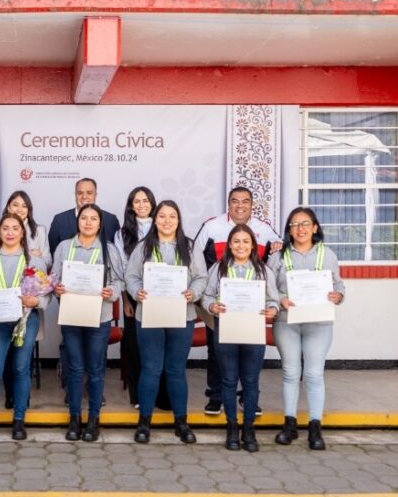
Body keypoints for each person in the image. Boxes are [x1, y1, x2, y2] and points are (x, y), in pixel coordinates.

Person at [193, 186, 283, 416]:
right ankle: (216, 396)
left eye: (245, 201)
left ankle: (247, 397)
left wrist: (275, 252)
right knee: (217, 348)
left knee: (248, 352)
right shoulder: (212, 226)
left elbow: (279, 255)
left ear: (252, 205)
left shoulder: (264, 230)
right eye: (235, 201)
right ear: (228, 204)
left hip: (252, 310)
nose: (240, 206)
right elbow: (196, 258)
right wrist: (204, 296)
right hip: (219, 306)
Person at [124, 200, 207, 444]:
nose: (167, 221)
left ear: (178, 220)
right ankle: (144, 423)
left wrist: (194, 292)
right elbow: (131, 275)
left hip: (182, 315)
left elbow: (201, 277)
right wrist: (137, 290)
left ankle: (181, 423)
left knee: (175, 369)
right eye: (162, 216)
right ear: (155, 220)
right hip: (149, 314)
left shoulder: (189, 247)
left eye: (172, 216)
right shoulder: (143, 247)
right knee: (150, 369)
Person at [268, 207, 345, 450]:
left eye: (305, 224)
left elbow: (339, 286)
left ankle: (315, 426)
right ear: (288, 231)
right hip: (286, 322)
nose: (300, 229)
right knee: (290, 372)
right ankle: (289, 424)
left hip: (318, 323)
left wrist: (337, 295)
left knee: (313, 374)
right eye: (294, 225)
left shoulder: (328, 254)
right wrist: (280, 299)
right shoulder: (278, 257)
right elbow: (269, 287)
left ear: (314, 227)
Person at [201, 224, 280, 452]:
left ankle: (248, 428)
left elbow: (273, 300)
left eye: (246, 241)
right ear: (229, 245)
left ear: (253, 246)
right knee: (228, 380)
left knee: (251, 381)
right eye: (236, 241)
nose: (241, 246)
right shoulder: (219, 268)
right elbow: (206, 296)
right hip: (226, 331)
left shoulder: (264, 271)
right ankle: (232, 427)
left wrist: (272, 310)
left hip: (253, 333)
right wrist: (211, 305)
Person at [0, 214, 48, 440]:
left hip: (26, 320)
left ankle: (18, 420)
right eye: (6, 228)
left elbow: (47, 294)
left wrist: (37, 302)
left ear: (22, 233)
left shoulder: (34, 261)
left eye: (15, 228)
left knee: (21, 369)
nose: (11, 232)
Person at [54, 204, 124, 442]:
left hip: (99, 317)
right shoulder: (64, 247)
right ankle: (74, 419)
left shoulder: (109, 250)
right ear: (78, 221)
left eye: (94, 218)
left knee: (95, 369)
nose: (88, 222)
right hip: (71, 316)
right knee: (74, 369)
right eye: (84, 218)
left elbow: (119, 282)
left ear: (100, 223)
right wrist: (58, 289)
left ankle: (93, 420)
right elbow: (54, 279)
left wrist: (111, 292)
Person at [0, 191, 51, 408]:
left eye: (24, 206)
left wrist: (38, 257)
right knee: (0, 362)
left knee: (21, 363)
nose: (19, 209)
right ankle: (10, 396)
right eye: (15, 205)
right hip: (0, 312)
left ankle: (21, 401)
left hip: (26, 311)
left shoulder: (39, 231)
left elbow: (46, 266)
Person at [115, 186, 155, 408]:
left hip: (159, 297)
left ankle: (157, 393)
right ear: (131, 206)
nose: (141, 205)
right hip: (133, 297)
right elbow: (121, 268)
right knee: (135, 346)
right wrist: (127, 300)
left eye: (145, 200)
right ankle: (137, 395)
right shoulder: (121, 234)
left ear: (152, 203)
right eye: (137, 201)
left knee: (156, 346)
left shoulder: (163, 227)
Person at [49, 178, 122, 255]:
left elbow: (115, 253)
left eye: (89, 193)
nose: (84, 196)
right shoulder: (59, 220)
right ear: (75, 195)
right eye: (80, 193)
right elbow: (54, 252)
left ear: (95, 195)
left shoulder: (111, 220)